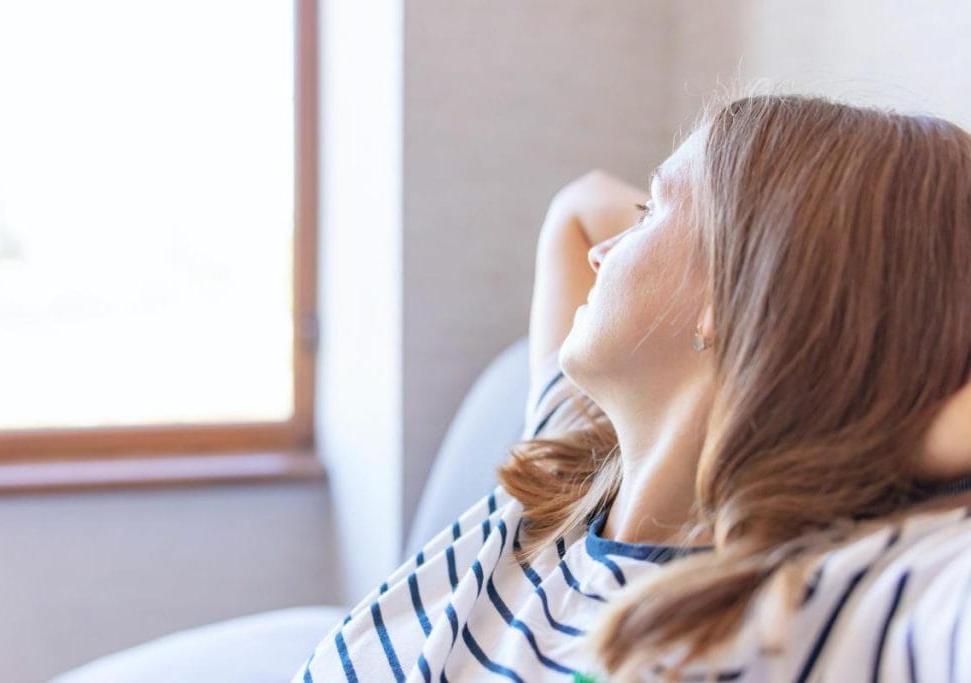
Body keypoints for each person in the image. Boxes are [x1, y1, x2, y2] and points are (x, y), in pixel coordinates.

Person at [293, 90, 971, 682]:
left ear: (733, 296)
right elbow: (578, 208)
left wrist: (904, 427)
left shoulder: (861, 595)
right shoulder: (568, 465)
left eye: (650, 211)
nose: (603, 253)